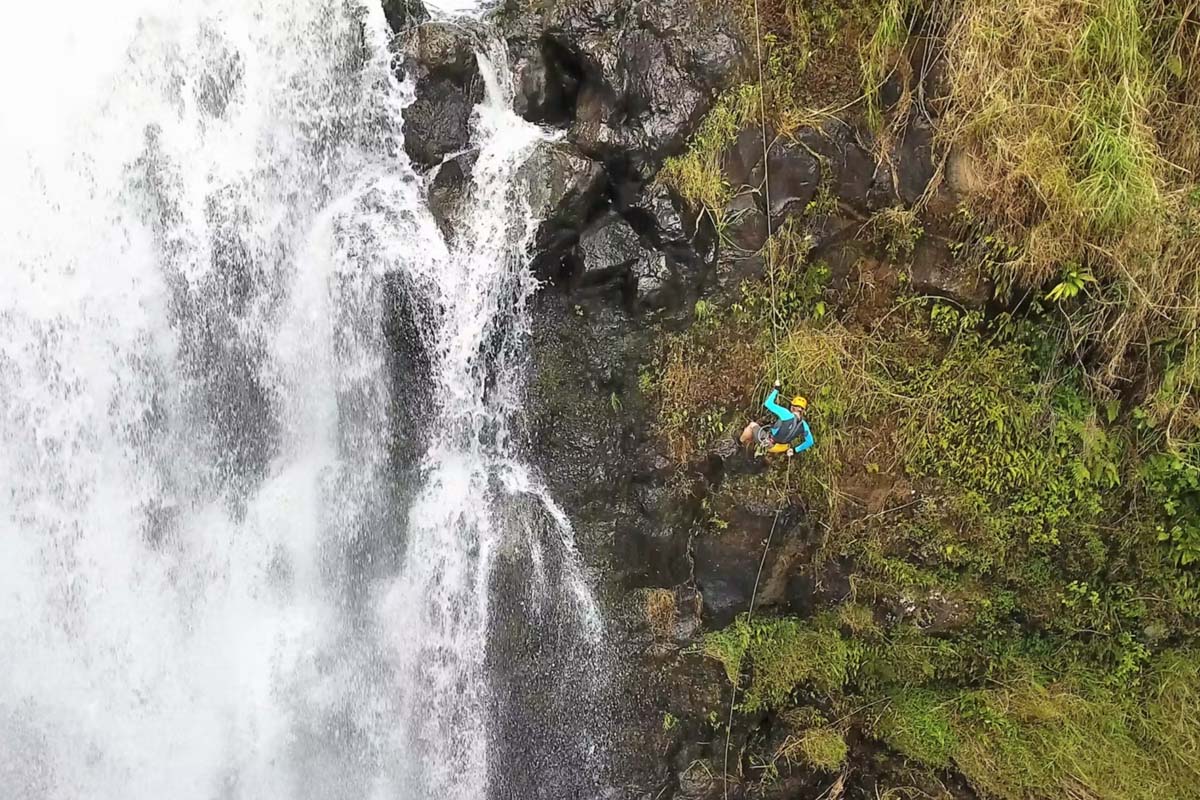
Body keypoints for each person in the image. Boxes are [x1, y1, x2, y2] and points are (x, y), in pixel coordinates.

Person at [739, 380, 814, 457]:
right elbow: (810, 442)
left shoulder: (786, 414)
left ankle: (738, 444)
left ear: (792, 407)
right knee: (757, 434)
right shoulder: (804, 425)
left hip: (771, 444)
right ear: (803, 410)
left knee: (752, 425)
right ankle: (750, 449)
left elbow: (768, 403)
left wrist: (776, 389)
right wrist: (795, 450)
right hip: (783, 448)